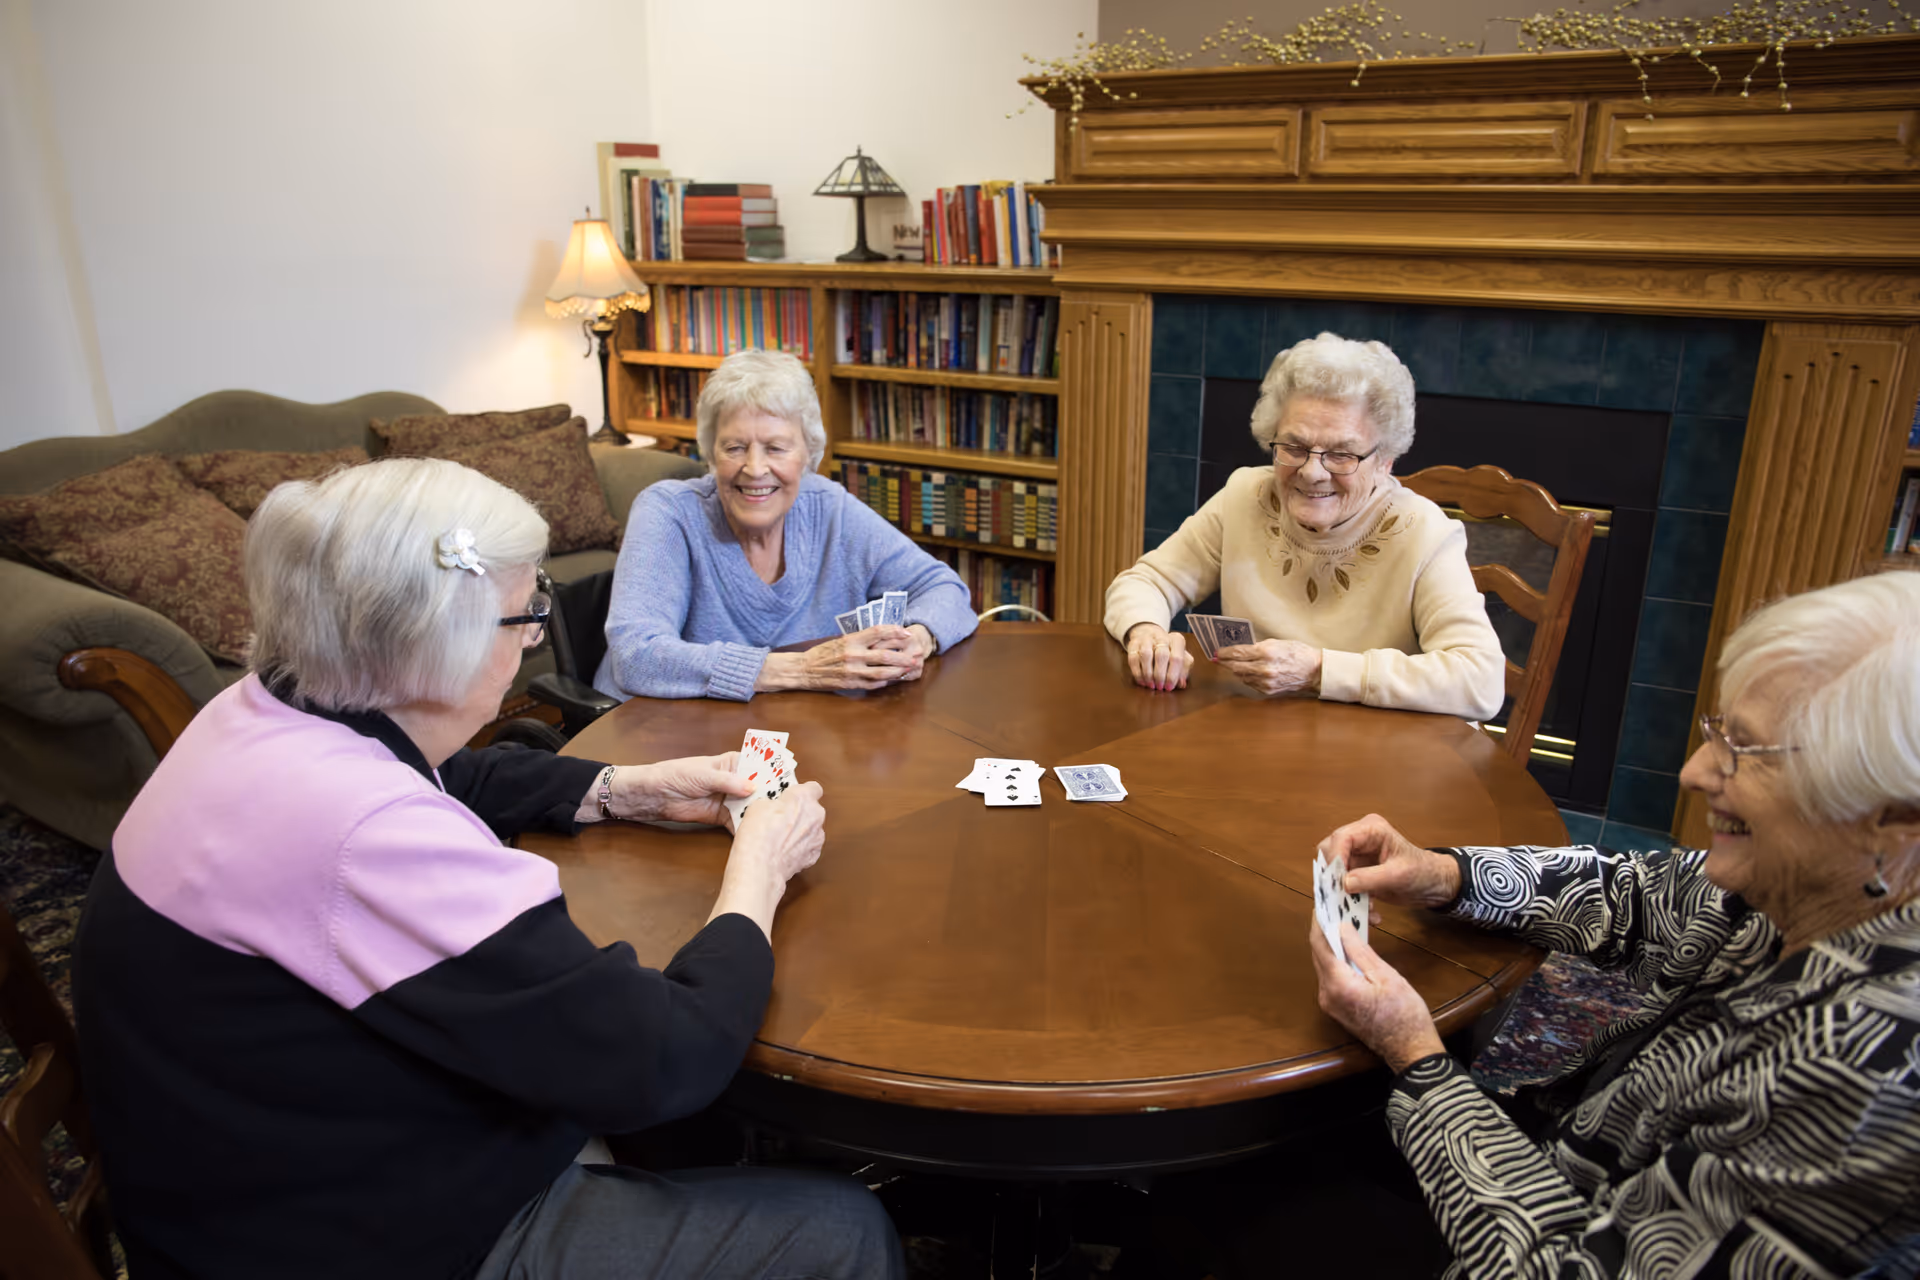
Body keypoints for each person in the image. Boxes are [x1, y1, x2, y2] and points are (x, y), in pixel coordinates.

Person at [72, 458, 902, 1280]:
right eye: (524, 618)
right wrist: (759, 869)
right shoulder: (367, 833)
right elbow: (662, 1059)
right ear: (440, 649)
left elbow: (452, 775)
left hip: (240, 1152)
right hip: (342, 1236)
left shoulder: (271, 709)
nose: (537, 637)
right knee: (841, 1227)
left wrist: (626, 789)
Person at [1307, 571, 1920, 1278]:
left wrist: (1416, 1057)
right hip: (1571, 1151)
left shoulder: (1860, 1077)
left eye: (1743, 754)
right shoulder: (1813, 885)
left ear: (1895, 818)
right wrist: (1442, 874)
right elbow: (1634, 893)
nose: (1693, 772)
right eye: (1716, 733)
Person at [1104, 332, 1504, 720]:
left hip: (1372, 758)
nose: (1312, 473)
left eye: (1342, 454)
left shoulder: (1426, 533)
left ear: (1385, 462)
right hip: (1254, 735)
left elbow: (1480, 681)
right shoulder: (1246, 494)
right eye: (1294, 447)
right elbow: (1146, 582)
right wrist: (1146, 633)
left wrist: (1318, 670)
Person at [593, 349, 978, 702]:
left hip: (787, 736)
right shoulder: (668, 511)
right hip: (658, 739)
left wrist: (918, 638)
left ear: (808, 453)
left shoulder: (830, 507)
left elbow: (945, 590)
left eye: (776, 448)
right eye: (735, 447)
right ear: (711, 451)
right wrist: (804, 669)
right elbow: (635, 657)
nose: (756, 468)